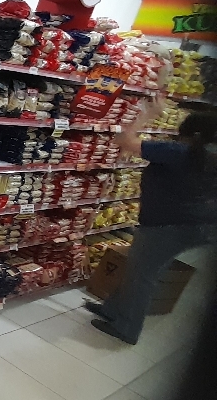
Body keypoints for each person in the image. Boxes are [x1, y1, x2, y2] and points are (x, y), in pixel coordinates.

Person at [87, 94, 217, 344]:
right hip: (196, 225)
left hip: (166, 226)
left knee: (142, 276)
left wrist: (149, 114)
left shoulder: (179, 152)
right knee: (140, 269)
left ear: (191, 133)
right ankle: (112, 309)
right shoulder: (209, 154)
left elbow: (124, 141)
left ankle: (127, 328)